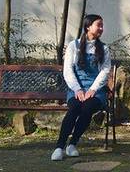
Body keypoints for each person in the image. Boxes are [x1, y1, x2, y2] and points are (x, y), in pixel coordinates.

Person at [51, 14, 111, 161]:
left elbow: (105, 71)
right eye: (99, 25)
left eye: (102, 25)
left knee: (87, 108)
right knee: (74, 108)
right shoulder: (74, 46)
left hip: (96, 91)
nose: (101, 28)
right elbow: (68, 70)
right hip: (76, 89)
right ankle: (59, 147)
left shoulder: (104, 48)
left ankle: (72, 144)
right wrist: (77, 89)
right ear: (88, 27)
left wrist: (93, 89)